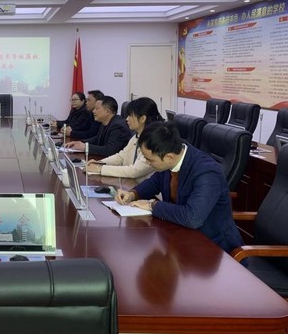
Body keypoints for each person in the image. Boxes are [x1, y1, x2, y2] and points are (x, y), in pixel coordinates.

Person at [115, 121, 244, 255]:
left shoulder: (207, 172)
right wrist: (132, 194)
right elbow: (154, 183)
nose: (147, 163)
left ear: (169, 157)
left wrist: (152, 205)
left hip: (213, 250)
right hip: (179, 237)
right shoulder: (171, 159)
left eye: (150, 160)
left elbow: (192, 218)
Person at [85, 97, 162, 181]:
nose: (127, 119)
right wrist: (100, 163)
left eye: (130, 115)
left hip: (142, 186)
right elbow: (121, 156)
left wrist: (100, 169)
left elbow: (134, 171)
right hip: (130, 184)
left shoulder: (154, 141)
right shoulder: (137, 136)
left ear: (142, 118)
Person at [65, 95, 131, 157]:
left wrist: (85, 147)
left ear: (107, 112)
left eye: (96, 109)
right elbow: (98, 138)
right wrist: (81, 142)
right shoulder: (105, 122)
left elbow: (109, 151)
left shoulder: (118, 126)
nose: (93, 111)